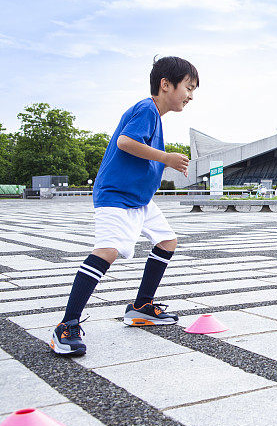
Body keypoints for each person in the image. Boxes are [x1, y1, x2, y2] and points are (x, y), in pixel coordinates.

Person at [50, 56, 198, 356]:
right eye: (188, 87)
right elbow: (125, 143)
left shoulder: (155, 117)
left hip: (139, 200)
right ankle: (66, 325)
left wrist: (161, 163)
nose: (191, 95)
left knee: (167, 241)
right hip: (117, 196)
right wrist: (166, 158)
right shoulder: (147, 108)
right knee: (107, 251)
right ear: (165, 84)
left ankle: (142, 307)